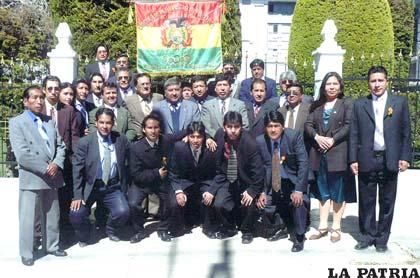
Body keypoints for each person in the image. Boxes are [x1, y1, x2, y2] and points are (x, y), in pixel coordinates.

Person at [349, 66, 412, 252]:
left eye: (380, 80)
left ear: (387, 81)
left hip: (389, 158)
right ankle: (367, 236)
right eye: (373, 81)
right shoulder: (360, 104)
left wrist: (405, 157)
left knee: (387, 202)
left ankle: (382, 239)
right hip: (367, 158)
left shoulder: (399, 103)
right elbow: (354, 134)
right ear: (368, 83)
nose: (376, 84)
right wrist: (353, 159)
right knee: (366, 201)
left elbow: (406, 133)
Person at [9, 85, 67, 266]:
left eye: (41, 97)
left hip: (53, 176)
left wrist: (56, 163)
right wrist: (45, 167)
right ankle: (27, 252)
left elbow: (61, 146)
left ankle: (51, 245)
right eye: (34, 98)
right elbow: (23, 154)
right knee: (28, 218)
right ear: (25, 102)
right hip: (33, 177)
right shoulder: (16, 122)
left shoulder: (49, 121)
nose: (39, 101)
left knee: (52, 215)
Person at [305, 72, 354, 243]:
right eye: (328, 84)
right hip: (319, 154)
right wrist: (317, 137)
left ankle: (337, 227)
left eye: (335, 84)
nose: (331, 87)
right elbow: (308, 125)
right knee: (322, 191)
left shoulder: (346, 104)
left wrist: (333, 140)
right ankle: (323, 226)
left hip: (338, 153)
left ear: (340, 87)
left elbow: (348, 126)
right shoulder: (316, 105)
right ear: (323, 86)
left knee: (338, 192)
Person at [70, 108, 130, 247]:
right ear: (96, 123)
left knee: (123, 212)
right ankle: (85, 235)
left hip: (112, 186)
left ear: (113, 123)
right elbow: (77, 170)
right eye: (101, 122)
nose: (105, 126)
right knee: (76, 214)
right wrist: (77, 195)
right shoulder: (85, 142)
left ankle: (110, 229)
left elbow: (130, 162)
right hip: (90, 187)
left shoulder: (121, 139)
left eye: (108, 123)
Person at [256, 111, 309, 252]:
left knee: (298, 203)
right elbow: (259, 169)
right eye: (269, 126)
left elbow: (303, 164)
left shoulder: (293, 137)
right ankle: (281, 227)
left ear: (283, 127)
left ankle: (299, 236)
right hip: (272, 183)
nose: (273, 130)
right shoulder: (260, 141)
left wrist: (298, 189)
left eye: (276, 126)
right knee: (264, 204)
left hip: (292, 182)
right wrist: (261, 192)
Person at [128, 113, 184, 243]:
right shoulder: (136, 148)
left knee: (172, 202)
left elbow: (179, 135)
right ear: (143, 129)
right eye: (149, 128)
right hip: (142, 182)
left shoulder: (166, 141)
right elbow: (136, 174)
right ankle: (139, 231)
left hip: (162, 182)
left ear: (160, 129)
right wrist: (156, 173)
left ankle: (163, 229)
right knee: (132, 203)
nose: (153, 131)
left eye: (156, 127)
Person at [213, 111, 264, 244]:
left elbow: (258, 173)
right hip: (228, 178)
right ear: (224, 127)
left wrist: (252, 191)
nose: (233, 131)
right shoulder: (219, 135)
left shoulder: (250, 143)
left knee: (248, 203)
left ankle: (247, 231)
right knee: (219, 204)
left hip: (247, 181)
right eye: (230, 127)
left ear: (242, 127)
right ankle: (230, 227)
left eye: (236, 127)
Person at [168, 122, 221, 238]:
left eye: (199, 137)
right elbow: (173, 173)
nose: (195, 141)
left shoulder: (211, 148)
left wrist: (211, 190)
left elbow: (219, 173)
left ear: (204, 137)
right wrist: (178, 191)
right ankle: (180, 226)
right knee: (174, 203)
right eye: (192, 137)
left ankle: (208, 227)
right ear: (187, 136)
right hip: (186, 182)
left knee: (213, 200)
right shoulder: (179, 147)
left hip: (204, 182)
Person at [201, 74, 249, 138]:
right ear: (215, 88)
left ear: (230, 87)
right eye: (219, 85)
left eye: (225, 85)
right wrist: (220, 138)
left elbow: (245, 125)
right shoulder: (207, 105)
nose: (222, 88)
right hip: (215, 142)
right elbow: (207, 127)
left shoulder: (240, 104)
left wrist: (232, 136)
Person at [123, 73, 164, 138]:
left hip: (158, 138)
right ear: (136, 87)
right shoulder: (128, 101)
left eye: (147, 83)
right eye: (142, 84)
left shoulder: (159, 98)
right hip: (138, 139)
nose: (145, 86)